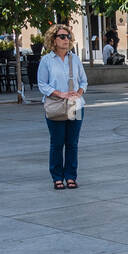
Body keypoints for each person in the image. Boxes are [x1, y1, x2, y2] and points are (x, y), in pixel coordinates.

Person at [38, 22, 87, 189]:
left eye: (68, 37)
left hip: (75, 105)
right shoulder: (46, 60)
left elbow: (84, 81)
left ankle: (71, 176)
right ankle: (57, 177)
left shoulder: (75, 59)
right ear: (54, 39)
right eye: (62, 36)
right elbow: (42, 84)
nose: (66, 40)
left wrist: (79, 92)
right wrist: (61, 94)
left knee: (72, 143)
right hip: (56, 105)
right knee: (57, 143)